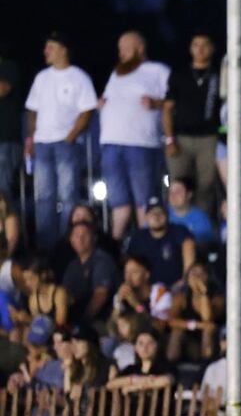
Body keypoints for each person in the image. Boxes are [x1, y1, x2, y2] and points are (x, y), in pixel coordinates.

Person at [24, 32, 98, 252]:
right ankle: (46, 247)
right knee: (43, 196)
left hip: (66, 143)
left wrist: (71, 136)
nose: (46, 51)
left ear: (63, 50)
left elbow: (87, 110)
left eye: (50, 47)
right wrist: (31, 138)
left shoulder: (79, 77)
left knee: (67, 196)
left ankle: (69, 244)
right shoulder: (41, 77)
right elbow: (32, 110)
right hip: (42, 143)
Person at [98, 31, 170, 239]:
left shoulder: (157, 70)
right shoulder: (115, 74)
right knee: (118, 203)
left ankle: (147, 243)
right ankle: (115, 244)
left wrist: (156, 103)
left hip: (141, 144)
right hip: (111, 143)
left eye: (125, 49)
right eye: (119, 49)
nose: (120, 54)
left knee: (144, 201)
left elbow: (174, 101)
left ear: (140, 48)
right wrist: (102, 104)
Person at [162, 32, 221, 214]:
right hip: (181, 138)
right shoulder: (180, 74)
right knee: (178, 184)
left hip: (209, 138)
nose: (200, 49)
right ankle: (178, 224)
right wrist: (170, 139)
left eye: (205, 45)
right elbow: (167, 108)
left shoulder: (218, 74)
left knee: (207, 184)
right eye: (196, 45)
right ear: (190, 48)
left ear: (212, 49)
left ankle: (203, 226)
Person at [60, 220, 120, 330]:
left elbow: (101, 294)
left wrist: (83, 322)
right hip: (75, 319)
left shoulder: (102, 260)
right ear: (71, 239)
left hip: (101, 321)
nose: (80, 239)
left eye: (85, 235)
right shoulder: (73, 265)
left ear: (94, 238)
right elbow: (65, 294)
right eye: (76, 235)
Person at [124, 197, 195, 287]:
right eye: (152, 214)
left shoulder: (179, 231)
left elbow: (189, 246)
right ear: (146, 217)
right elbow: (130, 265)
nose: (156, 216)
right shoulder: (138, 237)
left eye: (160, 212)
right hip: (147, 291)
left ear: (167, 215)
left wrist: (184, 282)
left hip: (177, 289)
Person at [165, 261, 223, 363]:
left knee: (208, 330)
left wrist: (204, 293)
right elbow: (171, 321)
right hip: (190, 341)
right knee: (176, 332)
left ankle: (206, 365)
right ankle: (171, 366)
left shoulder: (217, 298)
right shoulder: (181, 297)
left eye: (201, 274)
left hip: (211, 342)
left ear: (208, 277)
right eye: (194, 273)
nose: (197, 277)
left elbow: (208, 319)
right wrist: (196, 325)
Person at [107, 326, 172, 391]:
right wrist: (134, 380)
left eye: (150, 343)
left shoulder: (165, 367)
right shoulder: (131, 369)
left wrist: (133, 388)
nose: (145, 348)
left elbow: (166, 380)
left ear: (157, 345)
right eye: (141, 343)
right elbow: (110, 385)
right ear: (135, 347)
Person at [0, 44, 23, 211]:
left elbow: (3, 89)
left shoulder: (8, 66)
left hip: (5, 140)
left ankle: (7, 234)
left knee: (2, 189)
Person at [166, 178, 217, 250]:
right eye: (170, 192)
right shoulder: (161, 215)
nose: (173, 196)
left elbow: (205, 243)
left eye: (178, 192)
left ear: (189, 194)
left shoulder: (200, 218)